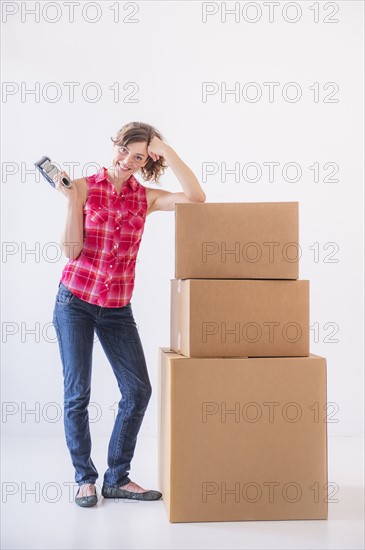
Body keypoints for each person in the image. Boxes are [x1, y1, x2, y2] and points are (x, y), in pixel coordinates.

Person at [52, 121, 206, 507]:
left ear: (145, 162)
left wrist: (165, 149)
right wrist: (72, 203)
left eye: (138, 156)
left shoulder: (146, 198)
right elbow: (71, 252)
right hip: (76, 302)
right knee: (77, 395)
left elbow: (196, 197)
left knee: (137, 390)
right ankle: (85, 479)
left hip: (117, 308)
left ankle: (117, 478)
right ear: (114, 146)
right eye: (124, 150)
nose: (127, 160)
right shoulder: (83, 187)